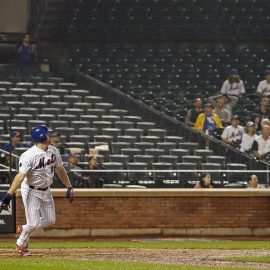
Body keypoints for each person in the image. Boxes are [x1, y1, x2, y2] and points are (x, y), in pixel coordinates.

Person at [0, 125, 73, 256]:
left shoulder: (54, 151)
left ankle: (25, 228)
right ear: (41, 136)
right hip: (31, 190)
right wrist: (9, 194)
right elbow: (20, 176)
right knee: (33, 223)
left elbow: (60, 169)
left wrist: (69, 186)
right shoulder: (28, 155)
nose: (50, 136)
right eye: (48, 134)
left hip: (46, 190)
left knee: (50, 220)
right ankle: (21, 243)